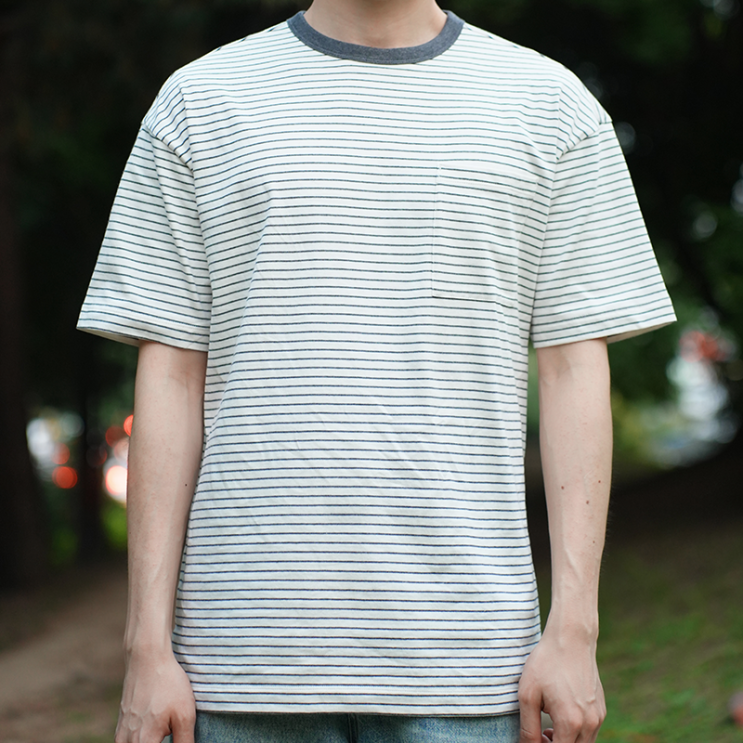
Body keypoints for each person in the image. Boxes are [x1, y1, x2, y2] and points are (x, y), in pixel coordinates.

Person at [78, 1, 676, 742]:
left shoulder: (552, 106)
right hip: (239, 669)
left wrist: (575, 631)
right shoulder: (198, 103)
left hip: (471, 666)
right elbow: (170, 374)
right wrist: (146, 647)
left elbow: (572, 370)